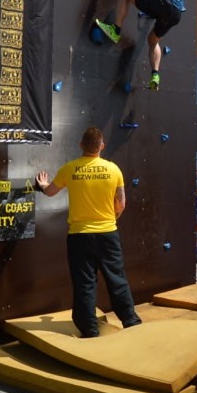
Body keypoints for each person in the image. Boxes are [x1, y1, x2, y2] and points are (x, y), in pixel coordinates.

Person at [34, 127, 142, 338]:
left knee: (85, 283)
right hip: (108, 233)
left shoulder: (69, 169)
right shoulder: (114, 170)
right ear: (102, 146)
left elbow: (49, 192)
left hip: (79, 236)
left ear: (81, 145)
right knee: (117, 279)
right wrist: (110, 219)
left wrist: (43, 184)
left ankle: (89, 329)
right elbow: (121, 204)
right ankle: (130, 321)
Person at [94, 0, 185, 90]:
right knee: (153, 40)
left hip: (163, 4)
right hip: (176, 13)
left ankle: (115, 30)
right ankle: (155, 74)